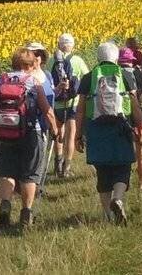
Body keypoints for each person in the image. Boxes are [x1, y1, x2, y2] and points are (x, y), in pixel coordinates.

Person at [0, 47, 59, 228]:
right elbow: (46, 110)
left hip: (4, 133)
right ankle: (26, 214)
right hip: (31, 132)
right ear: (32, 64)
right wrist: (56, 130)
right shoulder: (33, 82)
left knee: (7, 172)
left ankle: (5, 208)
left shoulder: (1, 79)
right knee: (30, 174)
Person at [75, 42, 142, 225]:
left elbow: (80, 110)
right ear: (115, 58)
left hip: (96, 129)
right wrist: (139, 126)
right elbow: (135, 105)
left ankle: (107, 215)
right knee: (122, 166)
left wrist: (78, 135)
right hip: (121, 127)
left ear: (98, 58)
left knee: (102, 170)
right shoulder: (125, 76)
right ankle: (118, 198)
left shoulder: (89, 78)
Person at [48, 33, 90, 178]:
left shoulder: (51, 61)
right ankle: (67, 168)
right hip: (73, 103)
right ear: (72, 46)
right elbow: (87, 76)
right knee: (70, 136)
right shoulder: (77, 60)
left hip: (56, 102)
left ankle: (57, 164)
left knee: (58, 134)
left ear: (59, 45)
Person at [120, 40, 142, 190]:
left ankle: (122, 183)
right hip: (137, 114)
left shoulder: (114, 73)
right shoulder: (136, 72)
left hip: (119, 116)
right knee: (141, 150)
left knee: (123, 151)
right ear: (131, 61)